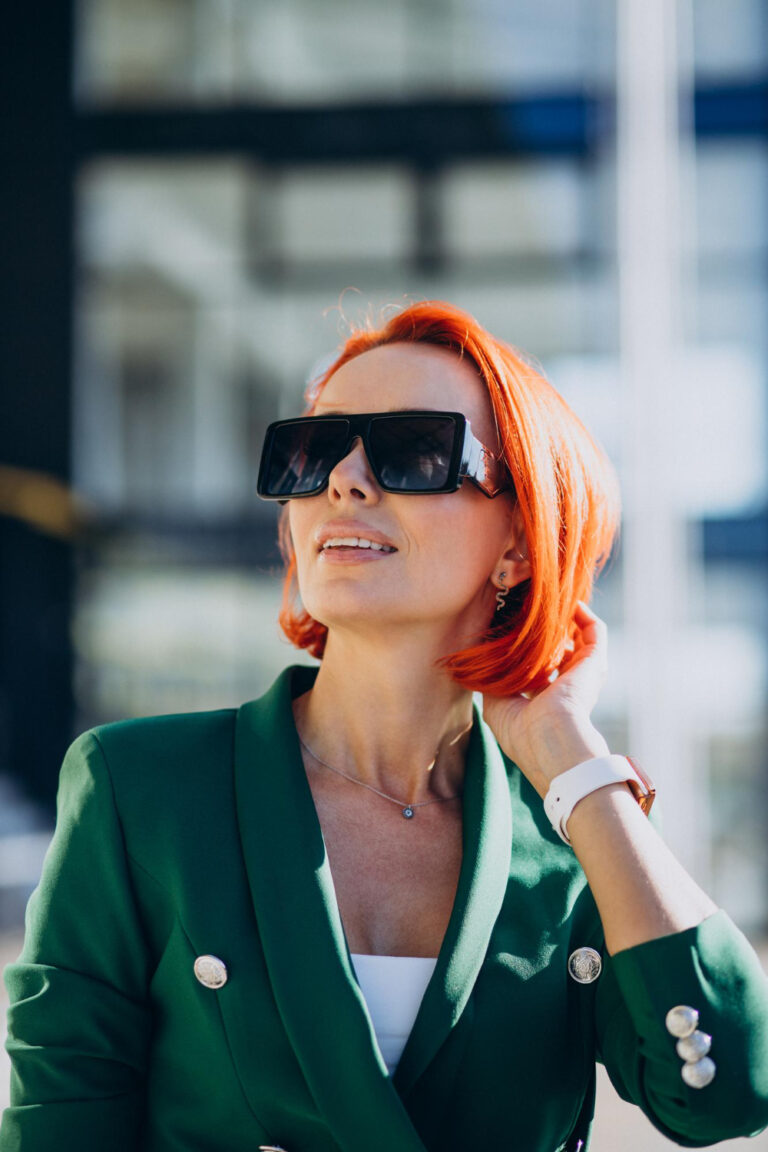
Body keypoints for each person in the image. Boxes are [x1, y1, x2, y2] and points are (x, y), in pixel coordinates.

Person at [2, 300, 768, 1152]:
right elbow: (59, 1126)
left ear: (518, 541)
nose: (344, 481)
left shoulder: (573, 834)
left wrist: (573, 758)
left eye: (414, 450)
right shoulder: (138, 786)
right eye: (315, 449)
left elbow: (725, 1093)